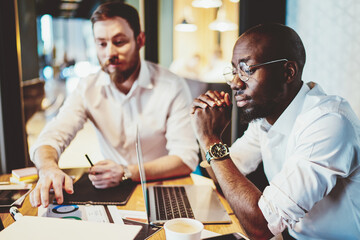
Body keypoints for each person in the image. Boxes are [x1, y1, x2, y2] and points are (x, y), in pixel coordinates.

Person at [191, 23, 360, 239]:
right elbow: (222, 175)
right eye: (234, 71)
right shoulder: (267, 117)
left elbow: (261, 226)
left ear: (288, 72)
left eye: (246, 70)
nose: (234, 83)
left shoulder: (329, 123)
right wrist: (205, 132)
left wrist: (211, 140)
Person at [30, 2, 199, 208]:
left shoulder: (171, 85)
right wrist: (48, 167)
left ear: (140, 40)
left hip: (164, 187)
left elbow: (185, 158)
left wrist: (127, 171)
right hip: (113, 192)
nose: (110, 52)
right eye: (101, 44)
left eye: (119, 42)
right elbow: (52, 135)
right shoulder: (87, 87)